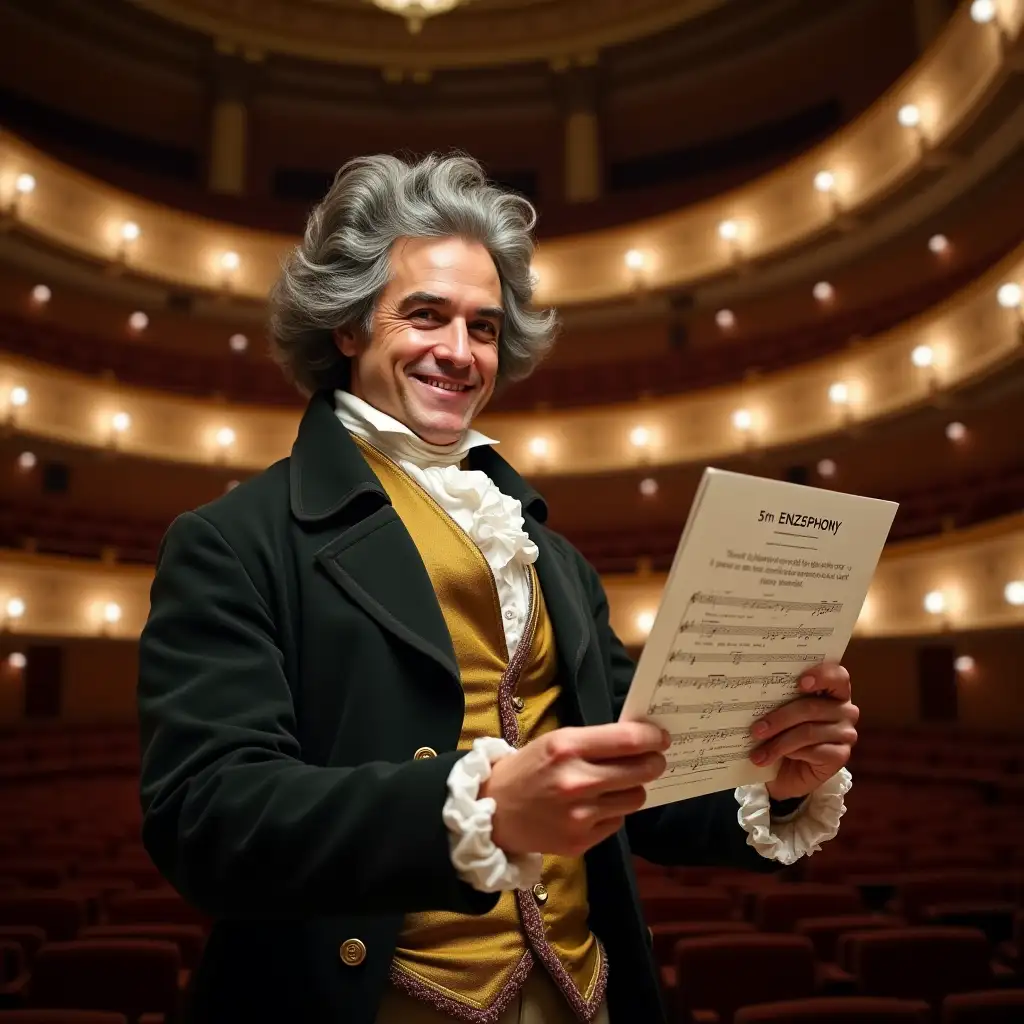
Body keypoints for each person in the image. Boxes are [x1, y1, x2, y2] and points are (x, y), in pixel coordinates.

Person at [137, 153, 858, 1024]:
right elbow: (209, 818)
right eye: (426, 315)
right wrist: (475, 807)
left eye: (483, 327)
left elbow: (641, 776)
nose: (459, 351)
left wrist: (773, 773)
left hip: (584, 996)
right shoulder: (232, 541)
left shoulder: (552, 556)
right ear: (348, 328)